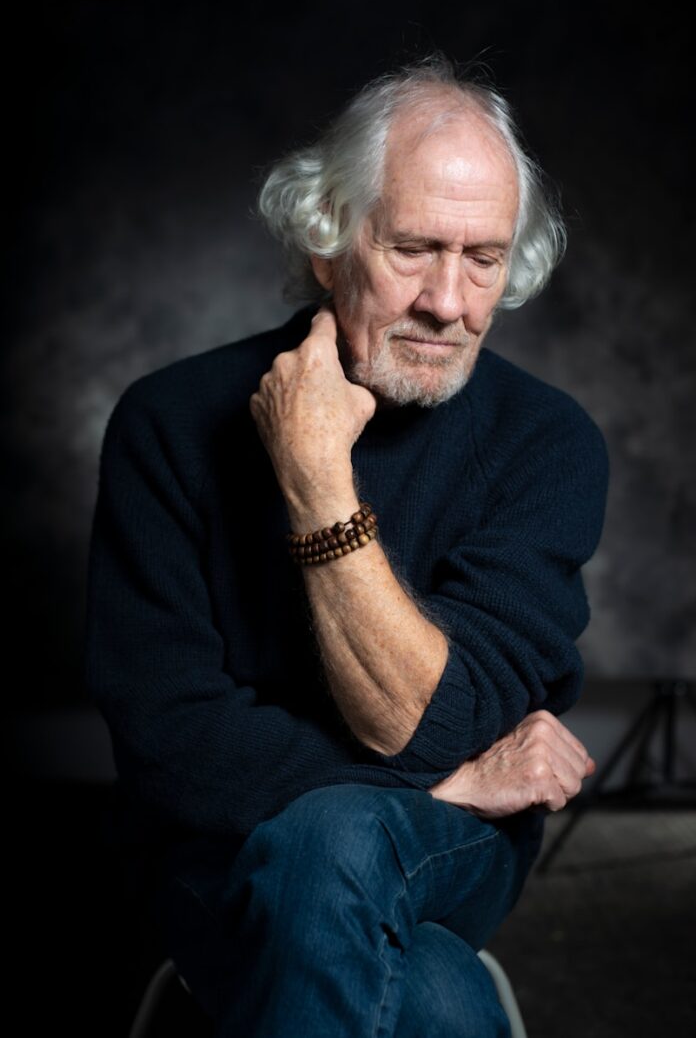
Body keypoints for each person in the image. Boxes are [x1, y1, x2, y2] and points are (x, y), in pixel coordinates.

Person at [85, 55, 609, 1037]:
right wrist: (458, 775)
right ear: (327, 240)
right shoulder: (168, 422)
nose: (450, 302)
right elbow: (174, 746)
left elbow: (428, 719)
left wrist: (316, 477)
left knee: (332, 835)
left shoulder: (550, 442)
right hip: (214, 848)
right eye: (415, 247)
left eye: (484, 257)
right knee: (433, 1000)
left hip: (451, 846)